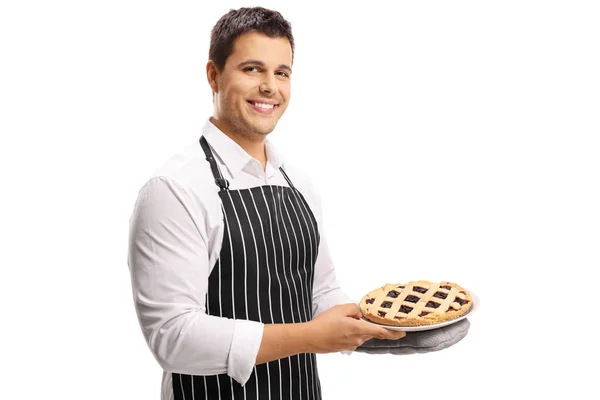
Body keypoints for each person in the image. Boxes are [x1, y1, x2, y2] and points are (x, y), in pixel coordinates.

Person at [127, 7, 406, 400]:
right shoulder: (174, 189)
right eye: (252, 69)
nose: (270, 87)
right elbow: (172, 336)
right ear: (213, 75)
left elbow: (320, 291)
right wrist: (310, 336)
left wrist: (385, 328)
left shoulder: (299, 183)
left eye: (282, 72)